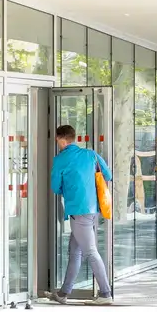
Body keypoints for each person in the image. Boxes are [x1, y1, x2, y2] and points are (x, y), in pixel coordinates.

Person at [49, 125, 114, 302]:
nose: (58, 143)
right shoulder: (90, 154)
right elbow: (107, 175)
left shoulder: (60, 159)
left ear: (62, 139)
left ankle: (105, 293)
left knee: (90, 251)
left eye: (57, 140)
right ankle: (63, 293)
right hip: (93, 209)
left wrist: (68, 187)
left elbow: (55, 187)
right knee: (75, 251)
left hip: (78, 210)